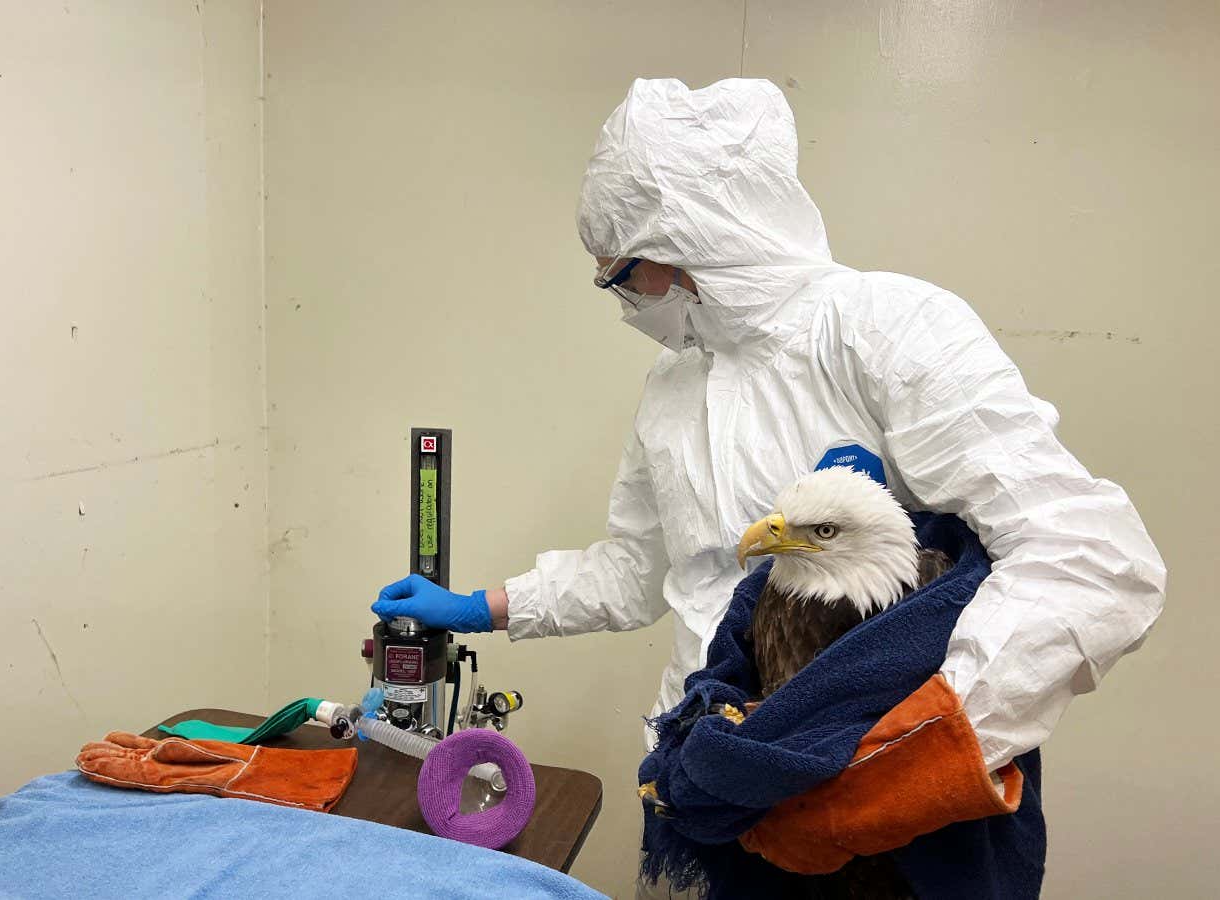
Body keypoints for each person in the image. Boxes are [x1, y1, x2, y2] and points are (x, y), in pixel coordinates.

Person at [371, 78, 1166, 894]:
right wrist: (480, 608)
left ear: (689, 239)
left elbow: (1089, 557)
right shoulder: (672, 389)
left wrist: (899, 767)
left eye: (623, 274)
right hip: (705, 769)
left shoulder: (883, 328)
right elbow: (640, 571)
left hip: (879, 800)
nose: (622, 300)